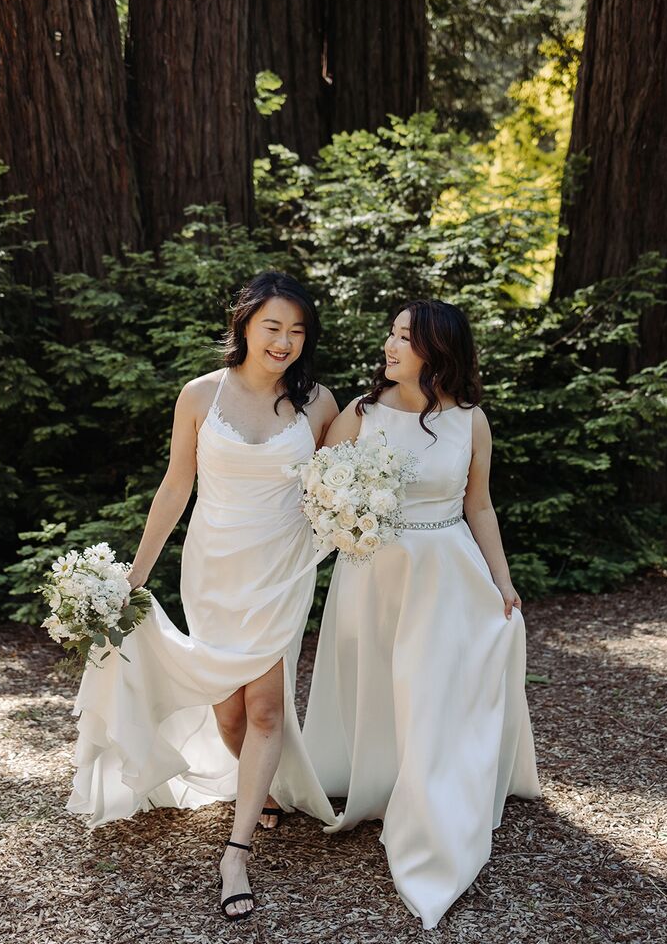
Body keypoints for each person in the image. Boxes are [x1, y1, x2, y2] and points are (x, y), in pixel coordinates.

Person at [66, 271, 339, 921]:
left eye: (298, 331)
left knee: (267, 708)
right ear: (244, 322)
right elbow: (174, 486)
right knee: (232, 716)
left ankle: (236, 851)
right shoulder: (199, 395)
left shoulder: (321, 404)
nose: (285, 341)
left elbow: (342, 483)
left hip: (281, 571)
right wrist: (132, 576)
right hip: (213, 569)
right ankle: (257, 783)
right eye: (274, 326)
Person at [302, 299, 540, 929]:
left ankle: (433, 797)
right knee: (379, 676)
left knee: (432, 686)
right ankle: (377, 781)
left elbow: (480, 508)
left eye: (405, 337)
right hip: (372, 571)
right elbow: (318, 489)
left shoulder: (470, 421)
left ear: (437, 350)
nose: (390, 344)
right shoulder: (360, 413)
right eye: (391, 333)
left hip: (446, 570)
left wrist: (503, 581)